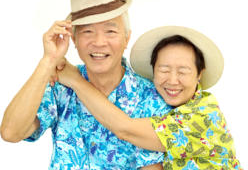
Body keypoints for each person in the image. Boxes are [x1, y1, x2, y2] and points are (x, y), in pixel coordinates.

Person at [0, 0, 172, 170]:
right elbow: (11, 132)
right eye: (87, 31)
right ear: (73, 39)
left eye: (110, 31)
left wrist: (75, 80)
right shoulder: (60, 86)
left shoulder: (151, 97)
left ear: (127, 38)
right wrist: (48, 61)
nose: (99, 42)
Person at [54, 26, 242, 169]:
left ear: (199, 74)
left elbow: (125, 129)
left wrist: (76, 81)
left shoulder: (203, 115)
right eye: (164, 70)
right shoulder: (162, 108)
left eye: (183, 71)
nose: (173, 80)